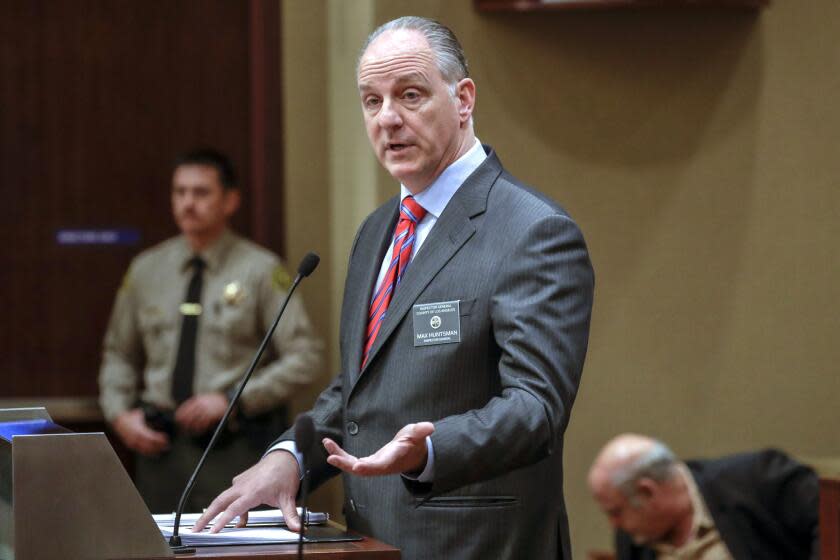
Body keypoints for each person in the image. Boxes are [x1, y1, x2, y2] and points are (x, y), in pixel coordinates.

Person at [194, 17, 594, 560]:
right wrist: (290, 454)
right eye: (371, 100)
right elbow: (360, 389)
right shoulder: (378, 230)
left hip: (479, 545)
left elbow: (536, 408)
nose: (388, 119)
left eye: (410, 95)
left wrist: (431, 449)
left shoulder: (533, 230)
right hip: (373, 543)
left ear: (463, 100)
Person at [98, 148, 322, 512]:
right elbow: (119, 353)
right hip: (160, 449)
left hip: (232, 450)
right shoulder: (146, 270)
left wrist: (234, 397)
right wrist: (120, 414)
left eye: (201, 193)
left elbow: (305, 357)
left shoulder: (261, 269)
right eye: (180, 192)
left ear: (230, 200)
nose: (188, 203)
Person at [587, 434, 819, 560]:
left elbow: (831, 520)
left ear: (648, 491)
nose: (613, 524)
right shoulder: (633, 539)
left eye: (616, 512)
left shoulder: (757, 479)